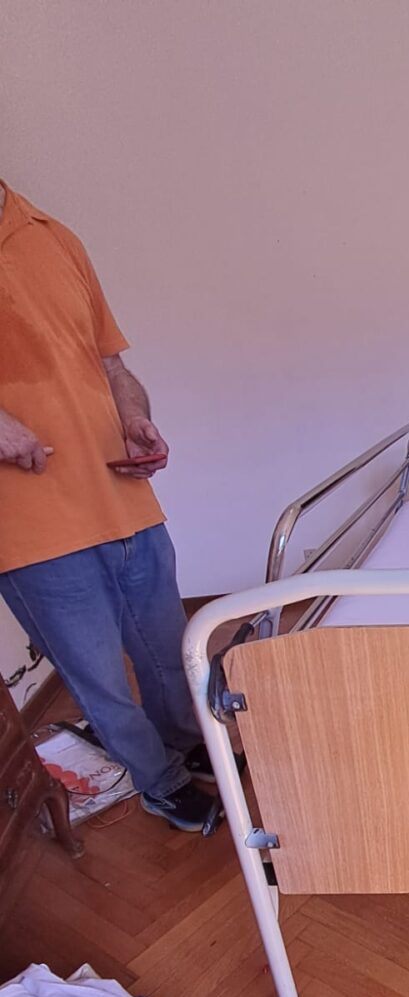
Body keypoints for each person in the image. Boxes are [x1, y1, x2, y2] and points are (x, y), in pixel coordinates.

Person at [0, 180, 217, 833]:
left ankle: (186, 741)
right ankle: (159, 780)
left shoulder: (52, 237)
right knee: (98, 677)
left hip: (124, 498)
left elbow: (113, 367)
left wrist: (134, 418)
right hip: (31, 526)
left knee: (168, 650)